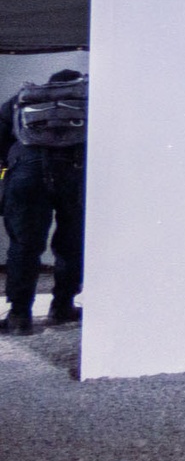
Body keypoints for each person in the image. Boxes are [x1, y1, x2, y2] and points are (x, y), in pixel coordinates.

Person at [3, 67, 85, 335]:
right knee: (72, 243)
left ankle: (19, 316)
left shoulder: (26, 97)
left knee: (24, 246)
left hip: (26, 173)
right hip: (76, 174)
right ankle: (62, 306)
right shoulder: (89, 100)